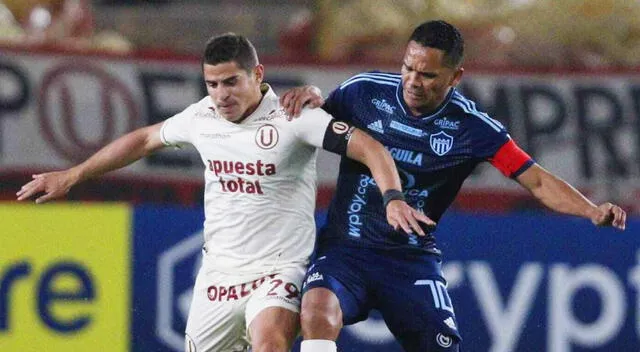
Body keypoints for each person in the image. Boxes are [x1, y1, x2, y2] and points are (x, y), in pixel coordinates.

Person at [16, 33, 432, 352]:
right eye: (212, 84)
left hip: (279, 268)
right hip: (218, 275)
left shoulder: (295, 116)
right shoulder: (201, 116)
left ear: (258, 74)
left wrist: (392, 197)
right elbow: (144, 140)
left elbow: (368, 147)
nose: (220, 94)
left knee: (270, 341)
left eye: (230, 82)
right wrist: (73, 175)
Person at [280, 20, 627, 352]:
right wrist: (311, 94)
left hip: (408, 259)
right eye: (408, 68)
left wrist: (591, 210)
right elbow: (312, 121)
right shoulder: (362, 92)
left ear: (455, 77)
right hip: (344, 250)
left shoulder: (473, 128)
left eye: (428, 75)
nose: (413, 81)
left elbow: (535, 179)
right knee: (316, 311)